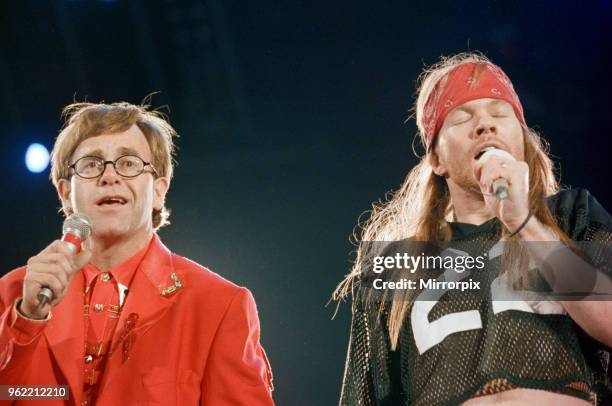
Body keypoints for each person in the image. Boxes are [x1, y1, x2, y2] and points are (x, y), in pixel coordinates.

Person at [335, 52, 612, 405]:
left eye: (499, 114)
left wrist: (525, 223)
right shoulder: (396, 264)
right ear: (436, 158)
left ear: (523, 140)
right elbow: (366, 395)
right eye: (462, 118)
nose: (485, 125)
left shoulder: (571, 215)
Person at [0, 102, 274, 405]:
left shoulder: (218, 306)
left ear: (158, 191)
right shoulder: (12, 294)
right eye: (91, 164)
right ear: (66, 193)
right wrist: (27, 320)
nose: (109, 176)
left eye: (128, 163)